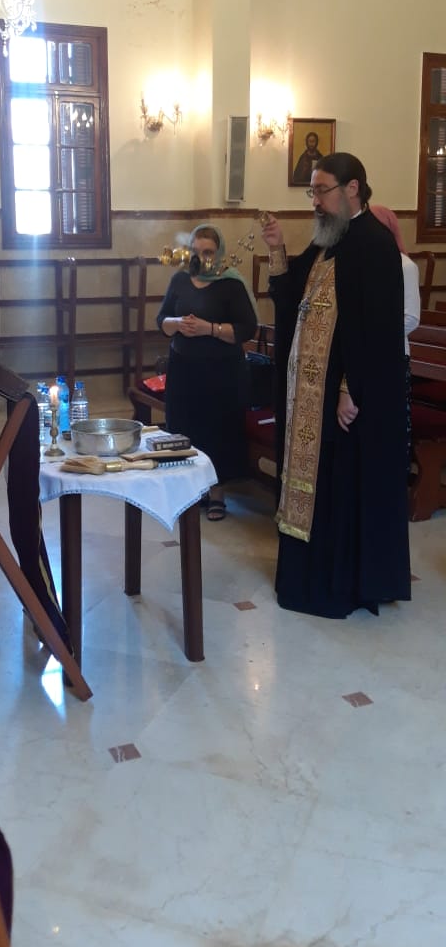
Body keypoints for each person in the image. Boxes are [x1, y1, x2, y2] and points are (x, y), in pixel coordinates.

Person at [261, 152, 411, 617]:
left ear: (352, 189)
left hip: (343, 399)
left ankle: (337, 581)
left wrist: (350, 388)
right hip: (310, 395)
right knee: (316, 483)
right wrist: (276, 249)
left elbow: (378, 331)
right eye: (313, 191)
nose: (315, 201)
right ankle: (306, 574)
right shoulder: (329, 241)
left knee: (340, 485)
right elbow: (293, 301)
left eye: (321, 191)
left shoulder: (375, 245)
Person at [156, 224, 258, 520]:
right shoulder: (179, 279)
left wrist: (209, 329)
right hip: (183, 369)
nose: (201, 258)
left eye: (208, 252)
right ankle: (190, 490)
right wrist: (177, 323)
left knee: (217, 431)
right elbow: (161, 320)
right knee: (184, 426)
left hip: (221, 372)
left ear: (219, 253)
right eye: (196, 251)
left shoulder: (230, 283)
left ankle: (216, 493)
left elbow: (246, 329)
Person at [370, 204, 420, 471]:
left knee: (389, 427)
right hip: (364, 357)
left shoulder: (405, 266)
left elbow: (410, 318)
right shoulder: (365, 263)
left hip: (391, 356)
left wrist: (372, 337)